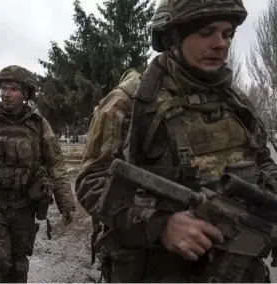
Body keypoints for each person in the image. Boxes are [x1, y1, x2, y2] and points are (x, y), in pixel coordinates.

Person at [75, 0, 277, 282]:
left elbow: (264, 162)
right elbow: (90, 182)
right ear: (173, 38)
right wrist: (161, 225)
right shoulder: (131, 102)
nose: (221, 43)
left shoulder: (237, 102)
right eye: (206, 32)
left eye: (227, 33)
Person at [0, 65, 76, 283]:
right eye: (2, 88)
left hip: (24, 205)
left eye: (12, 89)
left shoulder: (38, 125)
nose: (6, 94)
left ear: (25, 94)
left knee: (19, 264)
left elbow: (56, 164)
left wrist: (66, 203)